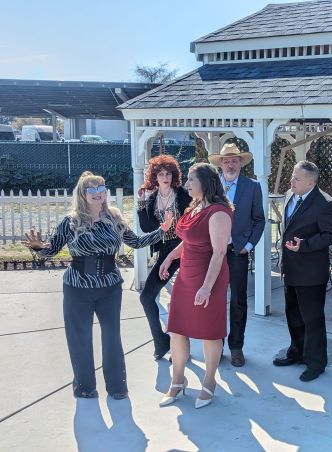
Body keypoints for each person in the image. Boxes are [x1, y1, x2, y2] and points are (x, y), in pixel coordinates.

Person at [22, 171, 173, 400]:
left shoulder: (114, 218)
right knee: (79, 337)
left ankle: (117, 387)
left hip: (109, 288)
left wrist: (161, 231)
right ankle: (84, 387)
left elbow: (136, 242)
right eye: (91, 189)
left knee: (112, 337)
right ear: (82, 194)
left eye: (101, 188)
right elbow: (51, 250)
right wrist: (37, 247)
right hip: (77, 288)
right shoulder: (71, 221)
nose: (97, 193)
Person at [157, 163, 232, 409]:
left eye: (191, 179)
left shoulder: (219, 213)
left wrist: (207, 287)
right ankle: (177, 381)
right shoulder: (195, 207)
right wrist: (170, 257)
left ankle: (209, 382)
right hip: (186, 277)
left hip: (209, 278)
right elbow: (189, 241)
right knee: (178, 329)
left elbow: (219, 252)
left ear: (205, 183)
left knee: (210, 331)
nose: (186, 184)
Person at [273, 160, 332, 382]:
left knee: (313, 320)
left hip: (311, 272)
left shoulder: (325, 204)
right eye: (292, 176)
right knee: (293, 315)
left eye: (297, 179)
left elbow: (330, 235)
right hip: (290, 269)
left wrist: (306, 245)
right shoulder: (290, 195)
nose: (291, 181)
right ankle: (297, 353)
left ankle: (316, 363)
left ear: (311, 183)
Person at [208, 143, 265, 367]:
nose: (230, 165)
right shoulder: (212, 186)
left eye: (234, 160)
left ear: (241, 163)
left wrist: (248, 246)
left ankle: (236, 347)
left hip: (237, 252)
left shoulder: (252, 187)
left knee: (238, 300)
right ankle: (216, 345)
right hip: (213, 252)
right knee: (214, 299)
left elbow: (259, 220)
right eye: (226, 161)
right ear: (220, 164)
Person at [137, 154, 191, 360]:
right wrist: (141, 204)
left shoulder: (183, 195)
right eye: (161, 174)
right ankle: (160, 341)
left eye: (168, 174)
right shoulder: (152, 199)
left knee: (185, 302)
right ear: (155, 177)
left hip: (185, 249)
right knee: (146, 297)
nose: (165, 178)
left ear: (174, 175)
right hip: (165, 251)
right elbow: (147, 228)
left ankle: (195, 347)